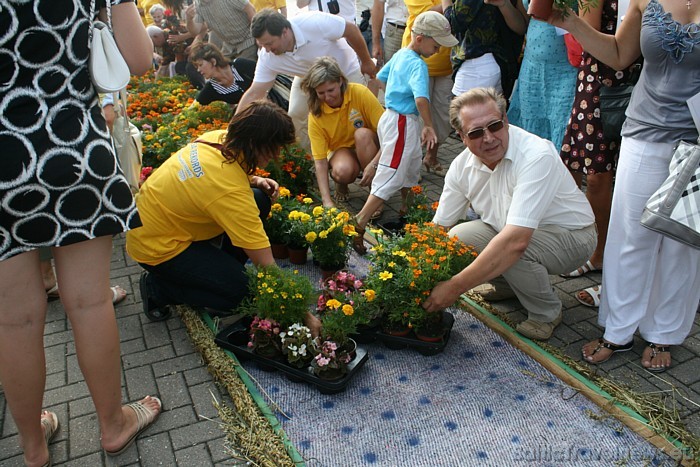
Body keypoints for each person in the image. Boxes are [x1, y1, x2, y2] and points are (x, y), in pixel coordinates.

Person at [0, 2, 161, 466]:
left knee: (14, 319)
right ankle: (113, 424)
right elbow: (137, 58)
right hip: (70, 146)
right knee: (89, 300)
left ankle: (32, 445)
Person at [550, 0, 700, 371]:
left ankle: (663, 333)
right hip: (645, 132)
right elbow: (619, 54)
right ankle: (617, 330)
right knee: (629, 234)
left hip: (696, 139)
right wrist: (571, 23)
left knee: (682, 241)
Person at [126, 101, 320, 330]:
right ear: (254, 143)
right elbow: (266, 264)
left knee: (258, 198)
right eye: (274, 147)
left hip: (158, 223)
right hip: (157, 247)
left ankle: (220, 270)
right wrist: (304, 314)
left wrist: (255, 180)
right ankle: (159, 288)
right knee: (243, 296)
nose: (277, 154)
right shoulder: (228, 192)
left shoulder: (219, 138)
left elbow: (215, 178)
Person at [421, 88, 597, 341]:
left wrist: (454, 287)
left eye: (494, 126)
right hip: (515, 232)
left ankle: (546, 313)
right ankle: (508, 286)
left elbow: (516, 241)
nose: (489, 138)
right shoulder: (461, 166)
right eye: (476, 133)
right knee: (459, 236)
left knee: (513, 250)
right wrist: (412, 265)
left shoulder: (536, 155)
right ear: (461, 137)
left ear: (505, 121)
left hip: (573, 237)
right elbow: (438, 229)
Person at [558, 0, 641, 308]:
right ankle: (597, 252)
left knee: (624, 179)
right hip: (598, 78)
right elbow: (587, 31)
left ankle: (609, 256)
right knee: (595, 175)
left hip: (640, 79)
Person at [352, 11, 455, 254]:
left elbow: (380, 77)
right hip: (402, 121)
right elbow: (421, 99)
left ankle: (406, 214)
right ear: (419, 38)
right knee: (392, 173)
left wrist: (394, 96)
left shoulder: (400, 54)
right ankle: (358, 222)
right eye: (436, 44)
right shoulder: (418, 65)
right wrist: (429, 125)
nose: (438, 50)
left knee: (410, 168)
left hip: (393, 117)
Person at [236, 9, 378, 151]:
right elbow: (255, 92)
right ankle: (311, 161)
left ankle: (372, 149)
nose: (267, 50)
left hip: (345, 70)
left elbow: (350, 30)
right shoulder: (266, 56)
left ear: (285, 32)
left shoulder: (313, 22)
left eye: (269, 43)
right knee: (295, 114)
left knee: (359, 113)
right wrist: (234, 125)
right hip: (308, 76)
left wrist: (366, 61)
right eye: (262, 46)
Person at [300, 57, 384, 210]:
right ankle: (342, 183)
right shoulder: (315, 114)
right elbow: (320, 162)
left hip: (369, 145)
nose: (327, 97)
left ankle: (376, 194)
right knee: (343, 171)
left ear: (340, 81)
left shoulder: (359, 92)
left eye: (331, 90)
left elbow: (388, 133)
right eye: (321, 93)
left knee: (362, 134)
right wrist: (327, 201)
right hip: (341, 151)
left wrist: (374, 164)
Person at [506, 2, 577, 148]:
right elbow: (522, 26)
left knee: (562, 130)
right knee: (528, 137)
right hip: (531, 71)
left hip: (566, 71)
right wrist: (503, 5)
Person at [442, 0, 527, 99]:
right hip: (501, 61)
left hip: (477, 62)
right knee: (492, 111)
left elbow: (451, 23)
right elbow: (521, 27)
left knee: (465, 111)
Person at [189, 42, 290, 109]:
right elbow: (194, 107)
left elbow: (269, 74)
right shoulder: (212, 88)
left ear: (213, 61)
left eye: (200, 65)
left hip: (281, 101)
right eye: (196, 66)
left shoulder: (240, 65)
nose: (198, 70)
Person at [185, 0, 258, 62]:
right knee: (218, 71)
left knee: (243, 72)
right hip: (228, 46)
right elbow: (195, 31)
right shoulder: (197, 5)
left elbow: (250, 10)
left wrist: (258, 37)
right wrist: (189, 20)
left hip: (248, 41)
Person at [371, 0, 409, 65]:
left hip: (417, 29)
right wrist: (376, 44)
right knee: (390, 69)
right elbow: (378, 6)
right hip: (395, 31)